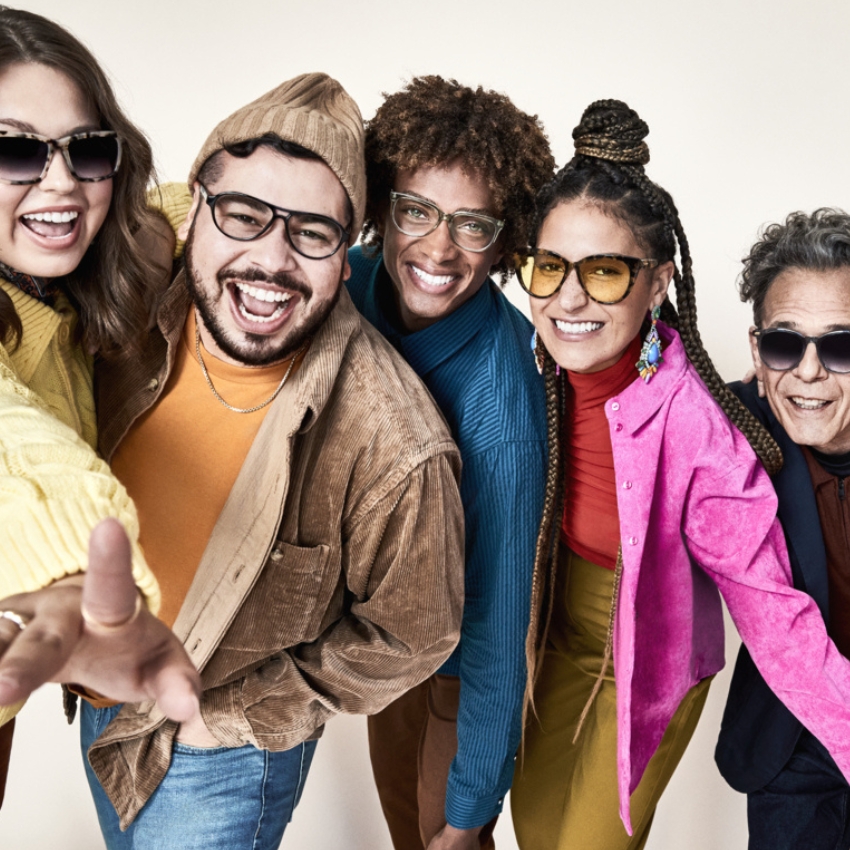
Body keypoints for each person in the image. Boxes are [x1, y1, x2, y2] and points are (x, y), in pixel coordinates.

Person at [84, 72, 465, 849]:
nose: (271, 259)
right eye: (244, 215)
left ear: (346, 252)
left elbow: (417, 632)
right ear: (194, 209)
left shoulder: (394, 438)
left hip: (216, 757)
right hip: (102, 708)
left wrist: (239, 714)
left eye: (312, 232)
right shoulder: (128, 312)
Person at [511, 100, 850, 850]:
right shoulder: (527, 368)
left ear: (658, 282)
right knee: (533, 829)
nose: (569, 298)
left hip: (649, 659)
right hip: (558, 640)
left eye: (605, 271)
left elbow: (777, 620)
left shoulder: (704, 428)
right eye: (549, 267)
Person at [0, 6, 202, 807]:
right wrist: (74, 566)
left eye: (86, 150)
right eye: (15, 149)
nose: (60, 182)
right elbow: (14, 440)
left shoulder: (64, 285)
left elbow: (180, 210)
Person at [346, 76, 554, 850]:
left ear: (506, 241)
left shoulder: (502, 408)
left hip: (463, 674)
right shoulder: (347, 286)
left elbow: (502, 626)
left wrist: (470, 811)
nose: (437, 248)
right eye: (417, 211)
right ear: (382, 207)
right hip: (385, 644)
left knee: (444, 840)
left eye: (472, 225)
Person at [715, 208, 850, 850]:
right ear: (757, 352)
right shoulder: (729, 427)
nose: (809, 371)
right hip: (790, 739)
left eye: (841, 346)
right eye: (784, 344)